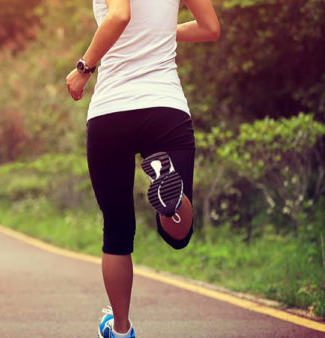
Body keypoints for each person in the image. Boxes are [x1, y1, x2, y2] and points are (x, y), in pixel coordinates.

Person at [66, 0, 220, 336]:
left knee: (117, 230)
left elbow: (120, 14)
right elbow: (210, 28)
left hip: (111, 111)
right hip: (165, 107)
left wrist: (83, 68)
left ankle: (121, 329)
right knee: (177, 235)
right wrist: (161, 32)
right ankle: (173, 199)